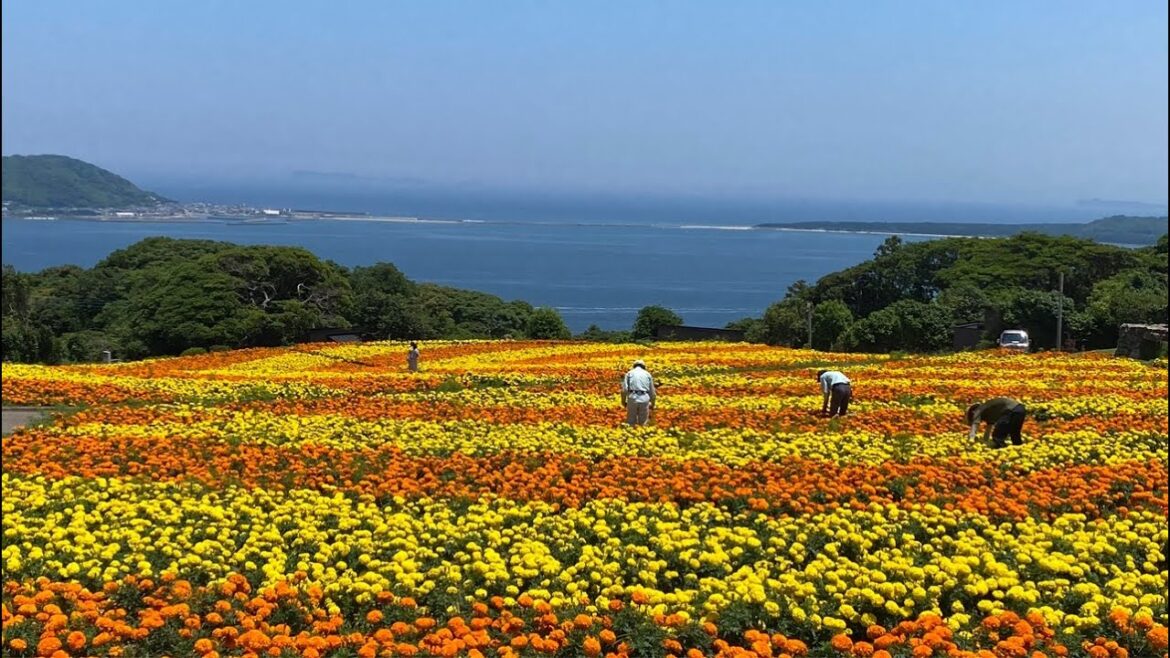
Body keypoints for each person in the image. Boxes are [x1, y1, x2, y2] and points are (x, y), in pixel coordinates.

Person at [621, 359, 657, 426]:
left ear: (634, 366)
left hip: (632, 397)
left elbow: (624, 390)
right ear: (643, 366)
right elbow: (652, 392)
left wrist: (623, 401)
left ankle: (630, 433)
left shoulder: (629, 373)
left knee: (631, 421)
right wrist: (653, 403)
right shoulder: (647, 374)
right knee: (643, 422)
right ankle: (642, 434)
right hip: (644, 398)